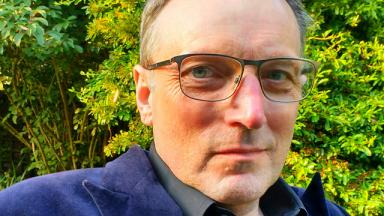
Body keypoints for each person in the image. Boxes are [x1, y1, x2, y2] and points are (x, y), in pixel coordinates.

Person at [0, 0, 349, 215]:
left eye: (276, 74)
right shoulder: (28, 209)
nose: (252, 114)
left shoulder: (330, 213)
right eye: (202, 72)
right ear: (145, 95)